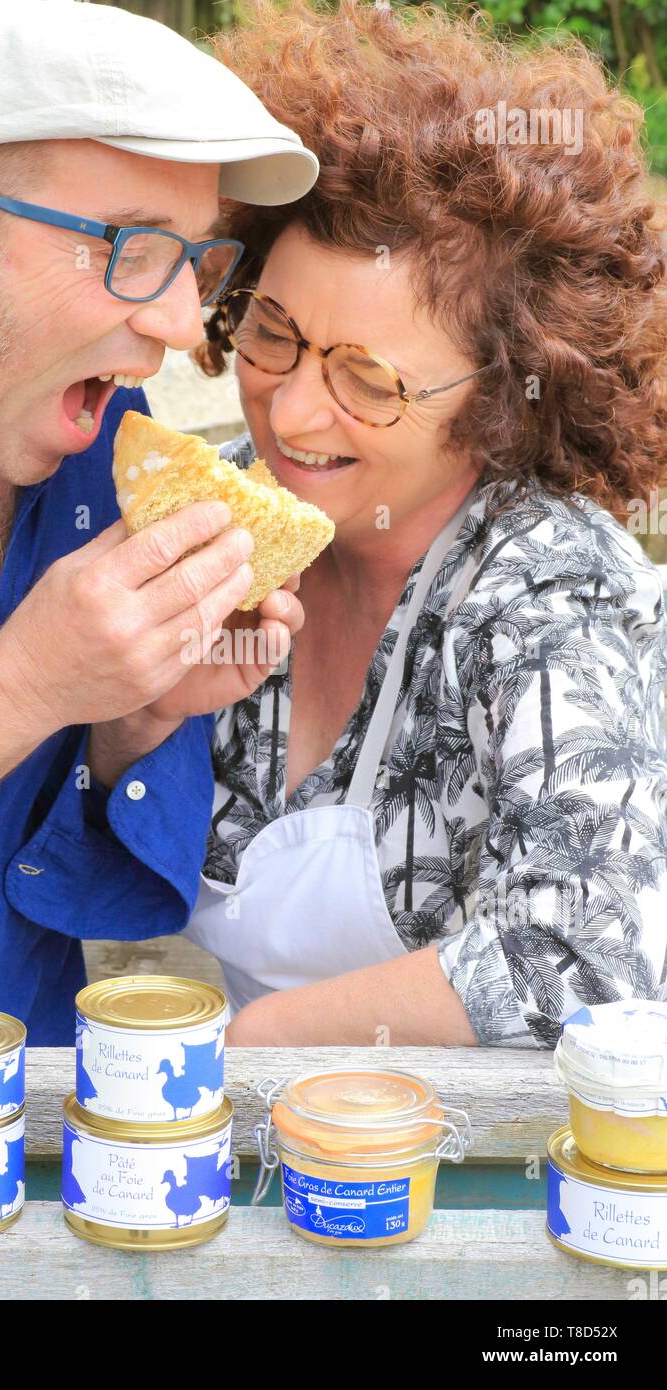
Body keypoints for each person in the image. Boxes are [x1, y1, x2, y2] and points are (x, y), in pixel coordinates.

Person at [0, 0, 317, 1044]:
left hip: (34, 1174)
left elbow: (79, 869)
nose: (181, 328)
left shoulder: (102, 429)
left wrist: (135, 716)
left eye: (199, 262)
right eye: (134, 247)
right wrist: (27, 684)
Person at [180, 0, 667, 1047]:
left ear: (501, 394)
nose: (293, 412)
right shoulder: (213, 511)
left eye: (367, 379)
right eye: (273, 332)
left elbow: (578, 960)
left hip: (489, 1173)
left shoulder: (546, 588)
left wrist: (224, 1057)